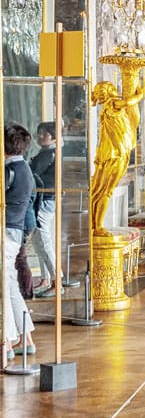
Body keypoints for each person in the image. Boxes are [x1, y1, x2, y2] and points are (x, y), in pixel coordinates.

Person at [3, 124, 35, 364]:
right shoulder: (22, 167)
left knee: (3, 285)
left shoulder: (10, 170)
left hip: (5, 229)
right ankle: (25, 336)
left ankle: (8, 340)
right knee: (10, 284)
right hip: (13, 230)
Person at [28, 123, 56, 297]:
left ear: (53, 136)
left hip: (44, 200)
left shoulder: (49, 153)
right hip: (43, 199)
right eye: (38, 134)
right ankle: (47, 279)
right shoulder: (47, 152)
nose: (39, 137)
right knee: (39, 242)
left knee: (44, 242)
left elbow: (33, 172)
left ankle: (55, 280)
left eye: (43, 134)